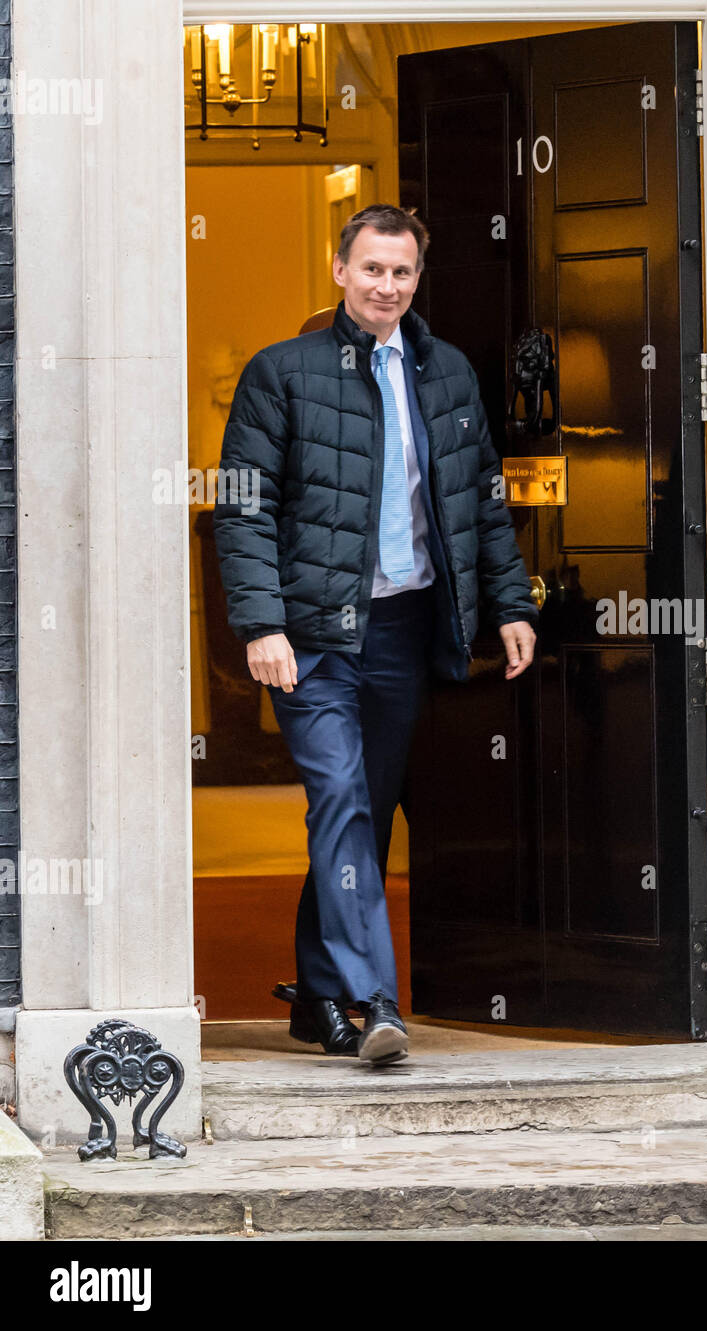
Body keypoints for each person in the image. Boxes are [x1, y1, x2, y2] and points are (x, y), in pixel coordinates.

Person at [212, 204, 537, 1065]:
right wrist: (261, 624)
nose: (386, 286)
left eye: (401, 272)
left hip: (403, 630)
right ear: (338, 270)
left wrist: (510, 604)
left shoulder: (450, 372)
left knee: (365, 812)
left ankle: (315, 994)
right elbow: (243, 511)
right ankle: (374, 999)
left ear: (416, 277)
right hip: (314, 636)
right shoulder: (281, 373)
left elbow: (482, 501)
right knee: (342, 801)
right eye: (371, 269)